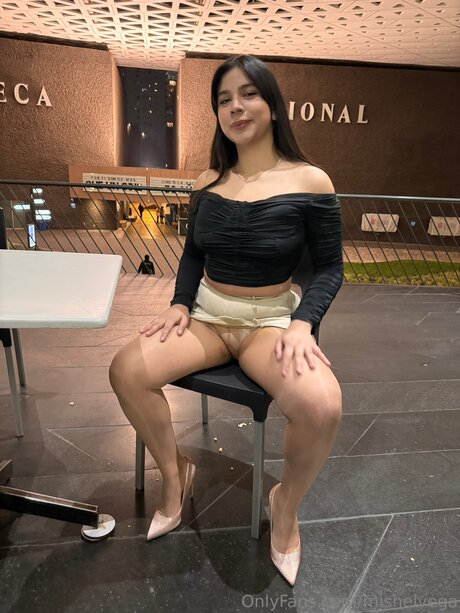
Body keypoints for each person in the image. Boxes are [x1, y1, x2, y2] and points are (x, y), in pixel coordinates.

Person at [109, 55, 343, 586]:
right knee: (126, 369)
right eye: (223, 99)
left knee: (322, 405)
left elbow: (330, 267)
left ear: (272, 104)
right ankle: (175, 474)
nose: (236, 107)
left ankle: (285, 504)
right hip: (208, 317)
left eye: (248, 94)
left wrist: (304, 322)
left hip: (270, 323)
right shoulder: (209, 181)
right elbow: (194, 253)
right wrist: (179, 302)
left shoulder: (311, 180)